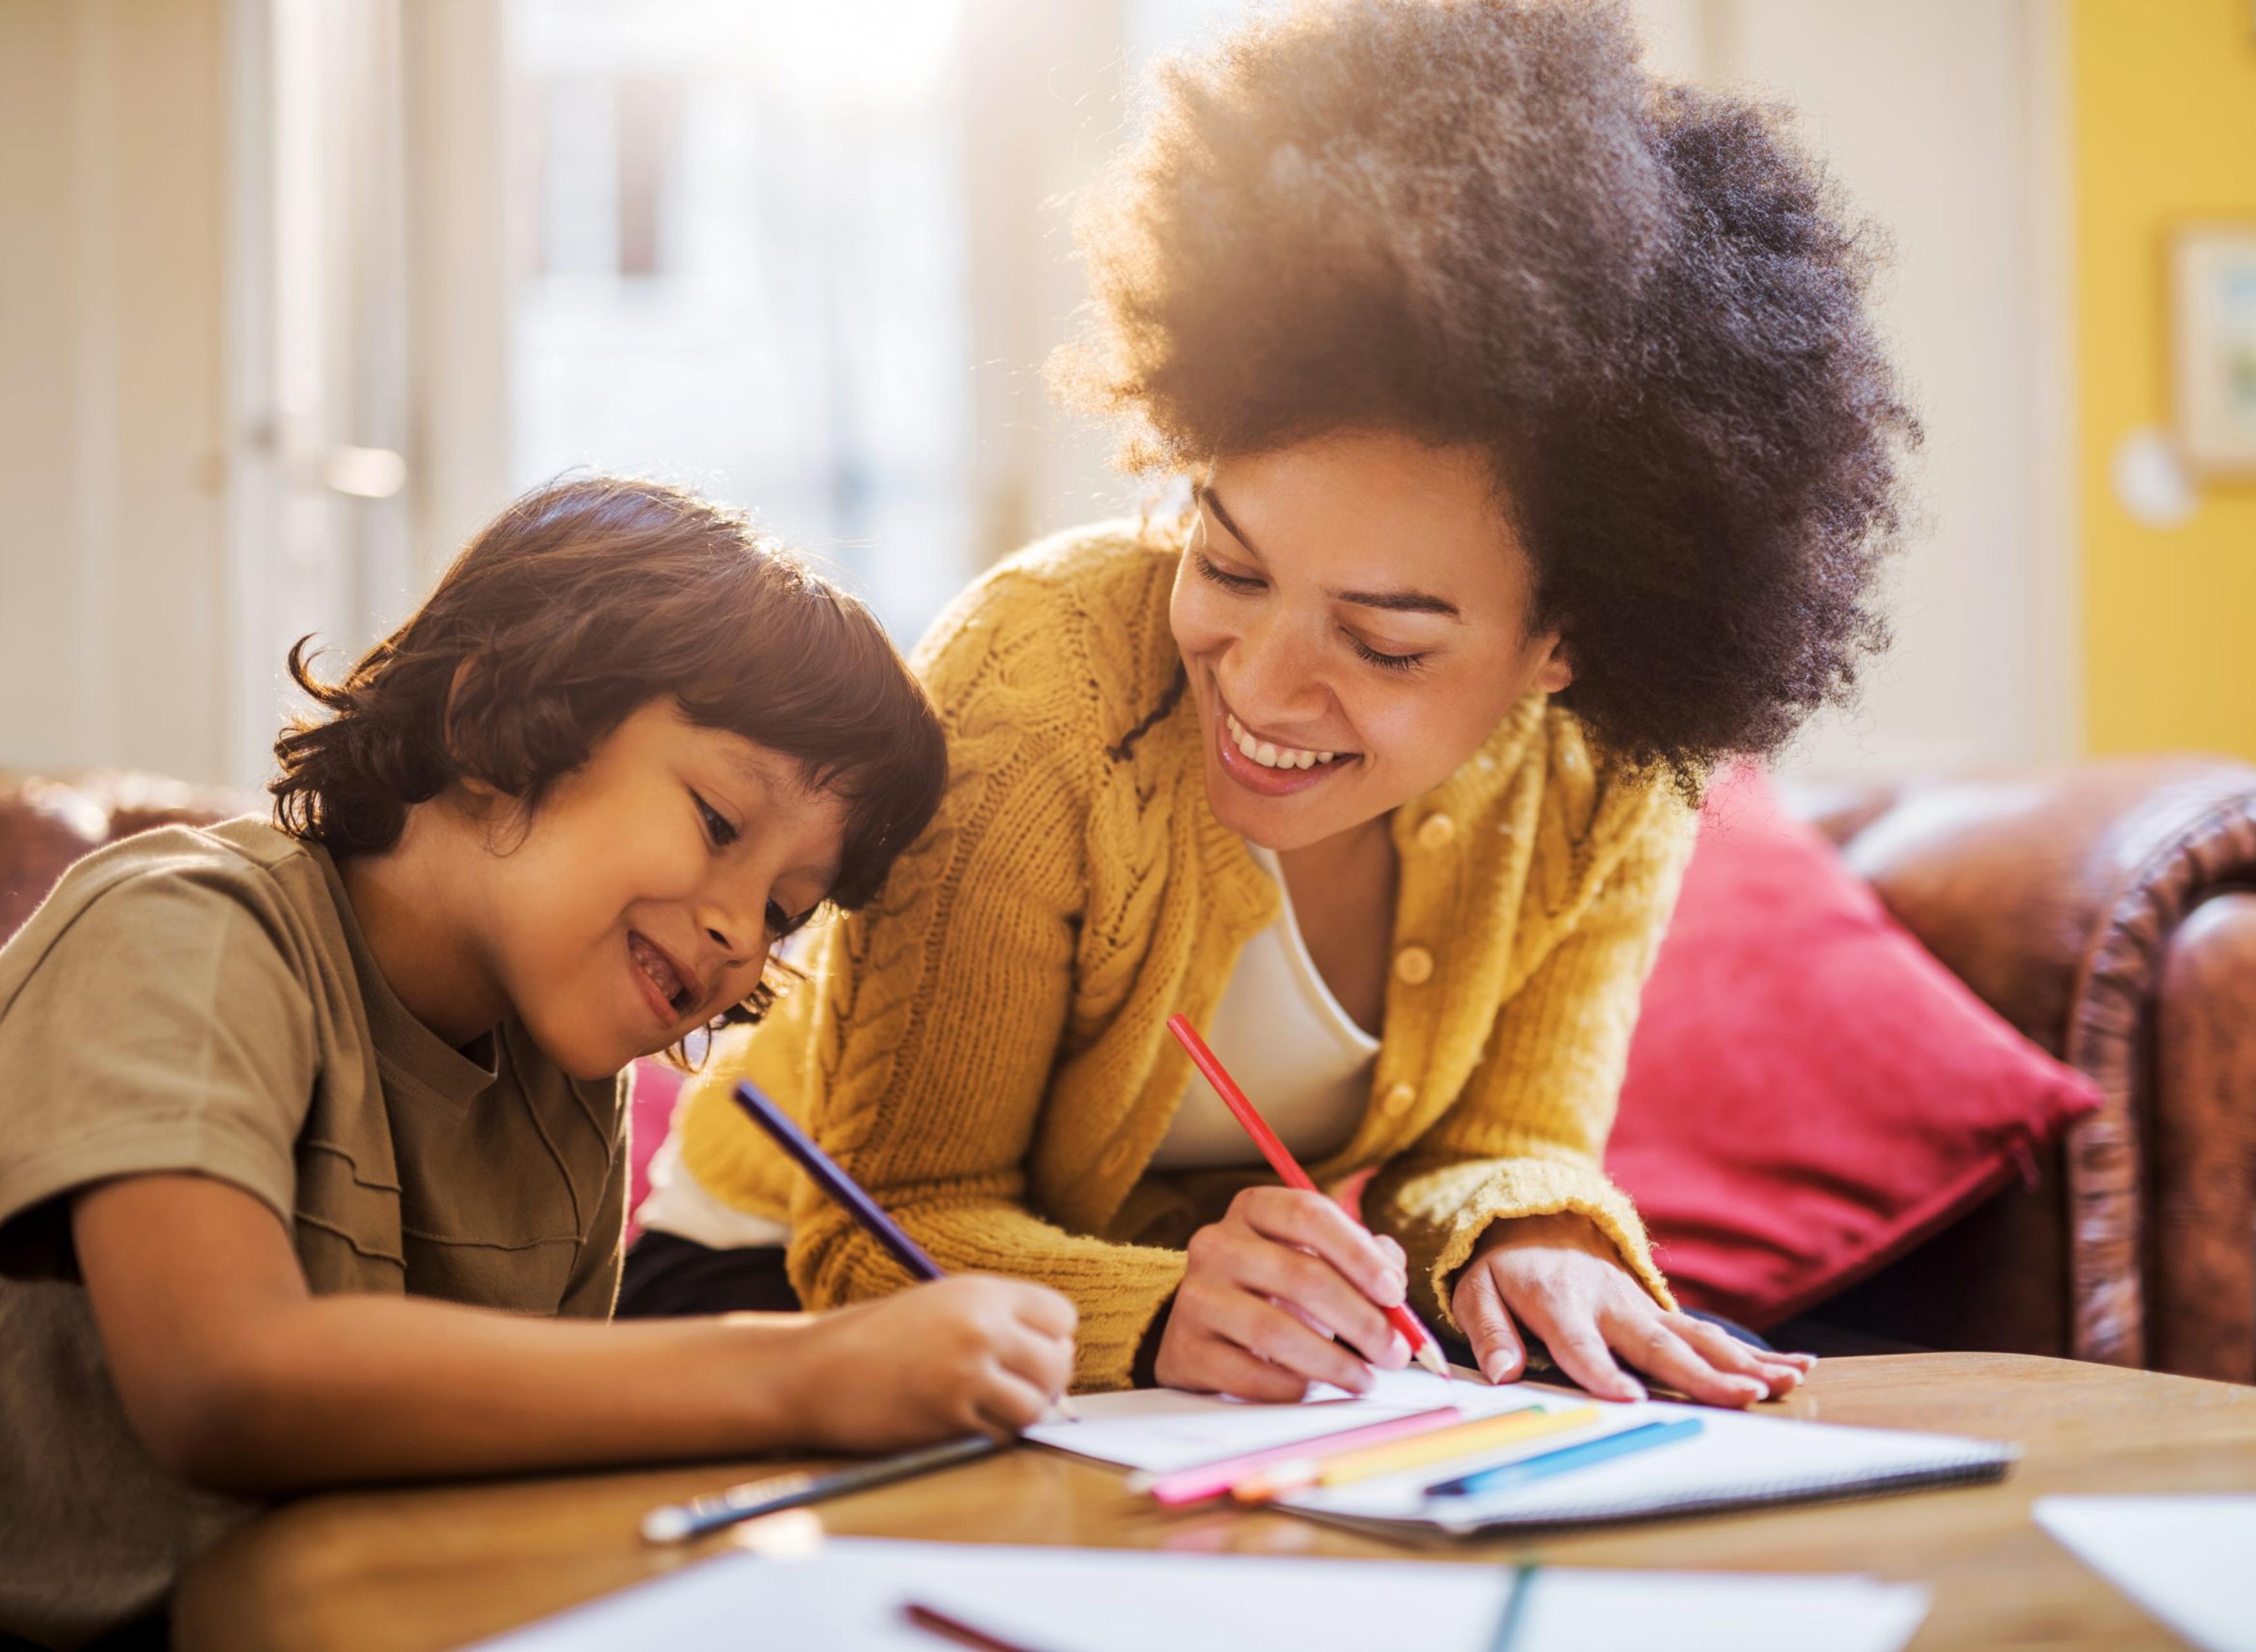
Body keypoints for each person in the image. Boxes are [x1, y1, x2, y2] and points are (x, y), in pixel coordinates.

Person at [631, 0, 1910, 1407]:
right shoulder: (1038, 692)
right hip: (786, 1286)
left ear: (1565, 645)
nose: (1257, 676)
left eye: (1384, 640)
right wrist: (1168, 1303)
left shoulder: (1602, 775)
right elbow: (891, 1225)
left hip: (1190, 1358)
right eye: (1228, 561)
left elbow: (1501, 1139)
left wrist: (1532, 1232)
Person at [0, 477, 1076, 1652]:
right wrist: (804, 1369)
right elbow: (226, 1383)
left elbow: (525, 1445)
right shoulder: (191, 928)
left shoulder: (566, 1090)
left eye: (785, 907)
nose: (740, 933)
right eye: (720, 823)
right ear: (490, 724)